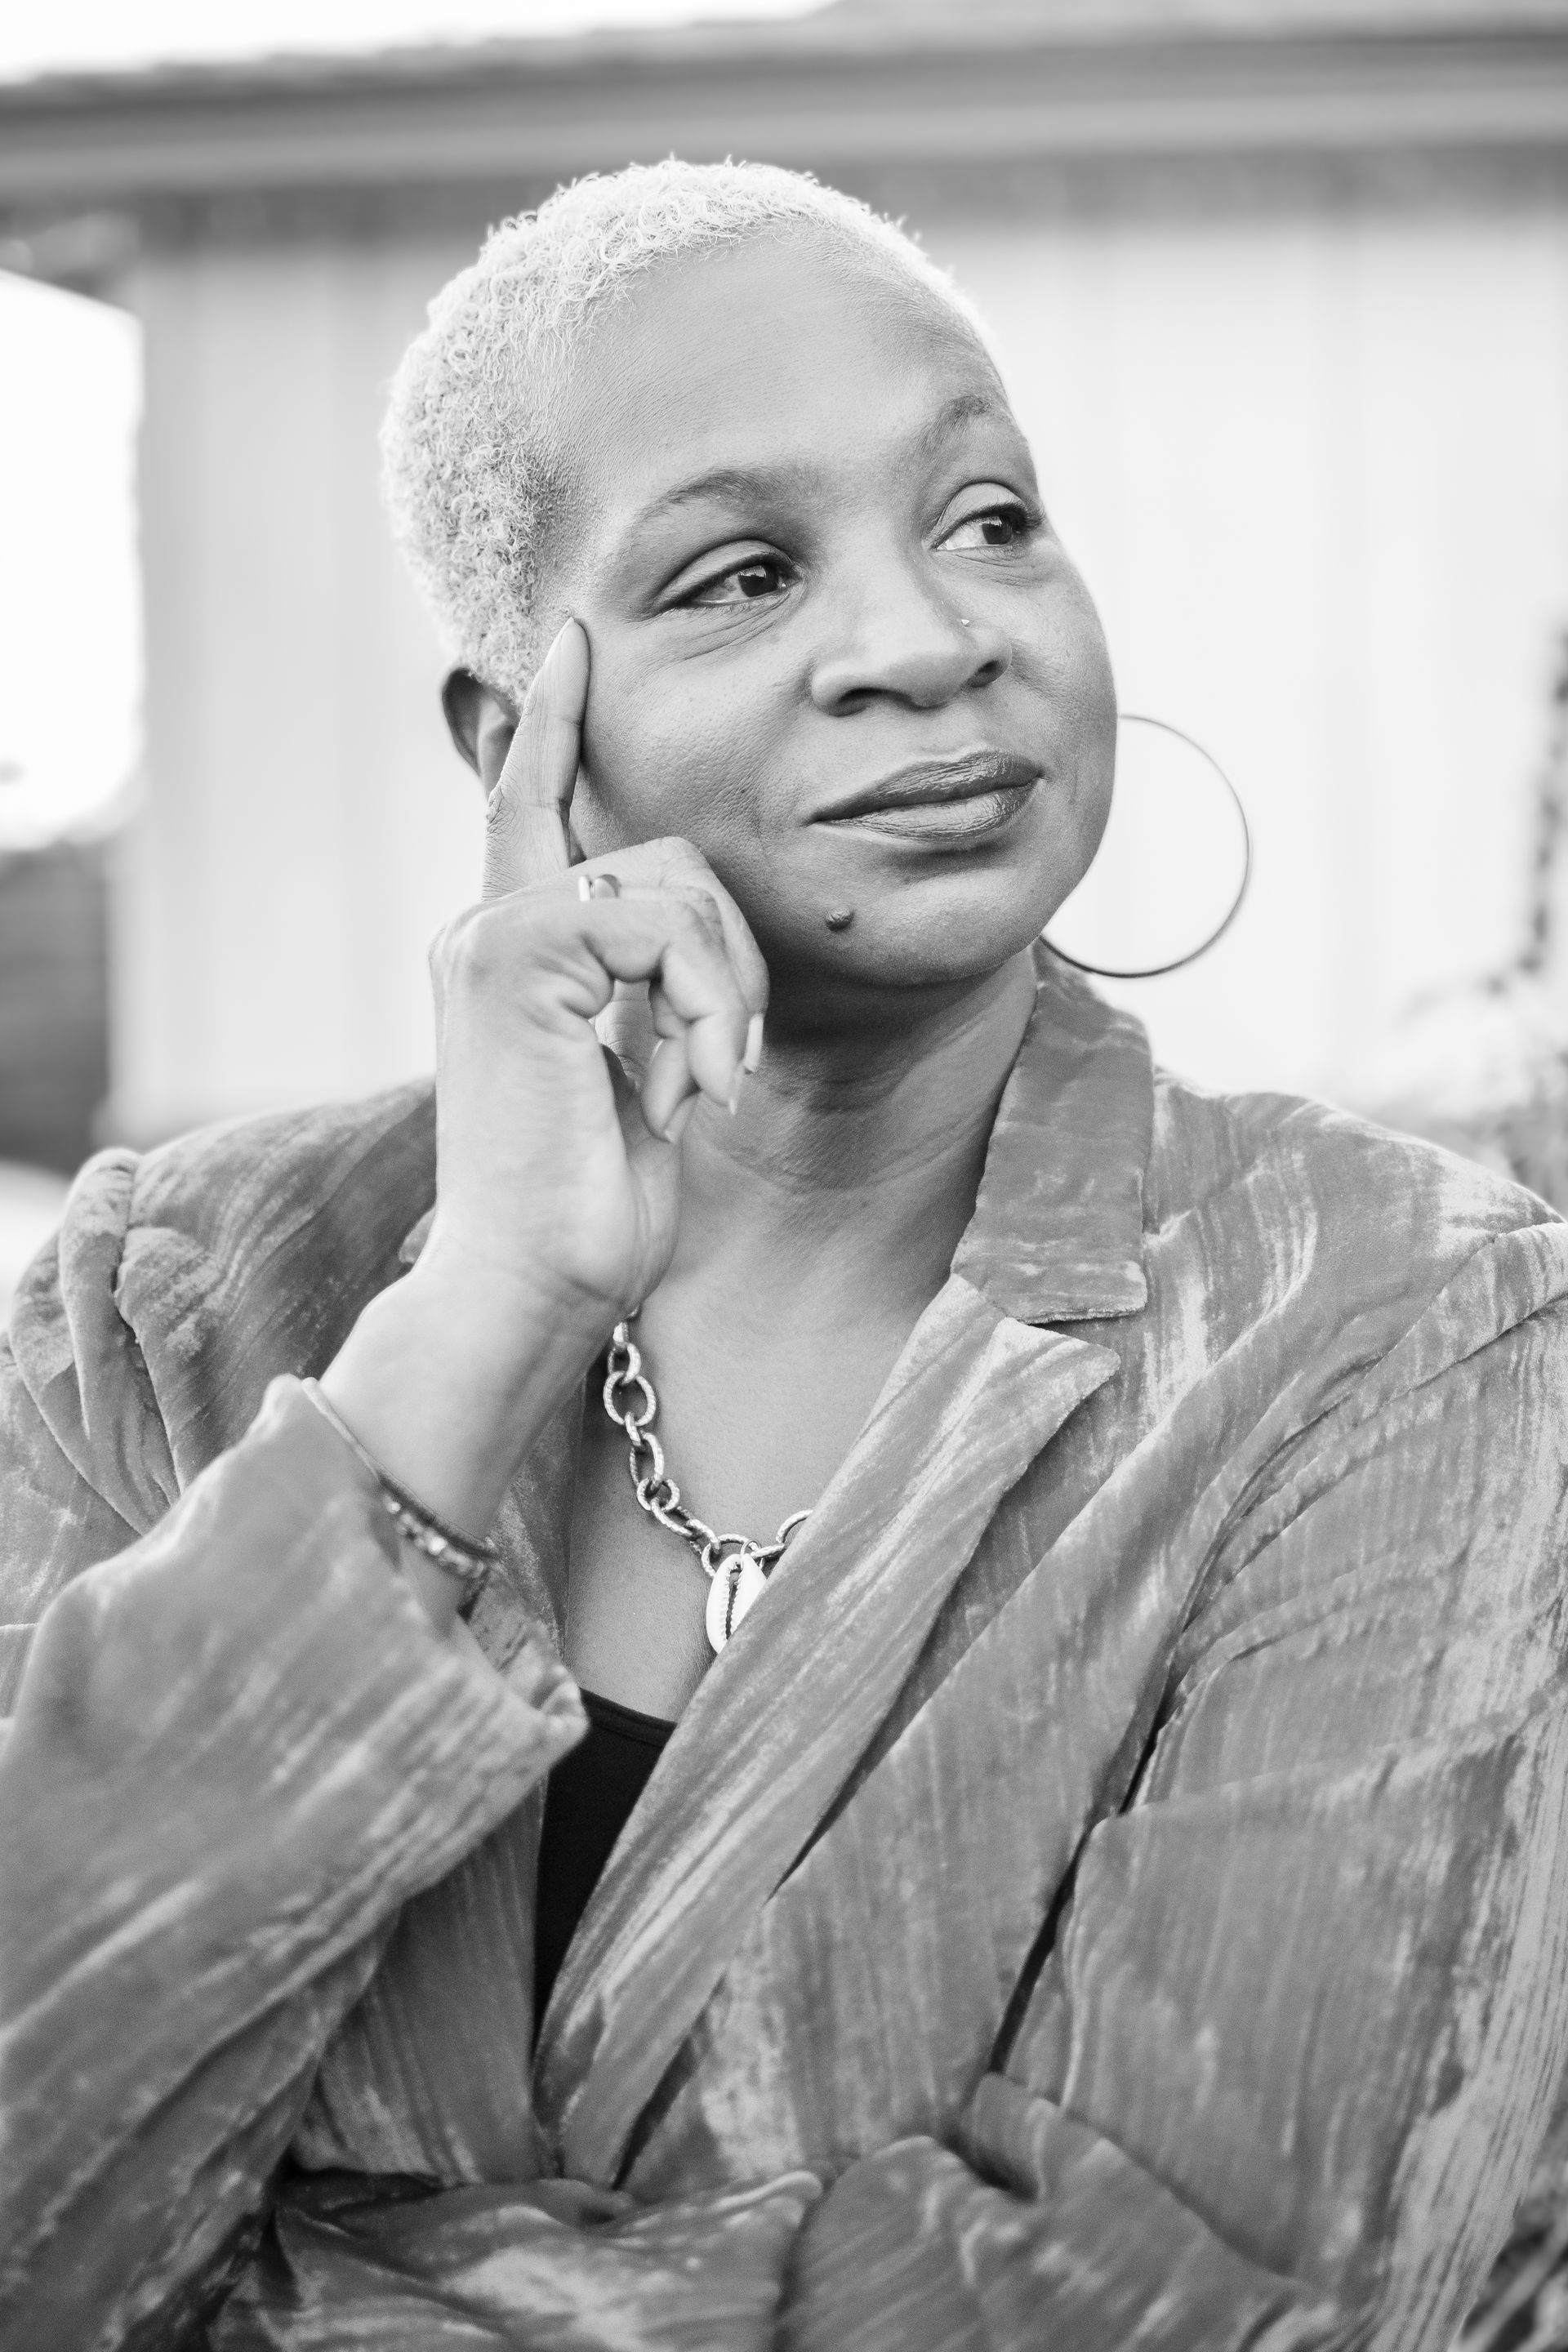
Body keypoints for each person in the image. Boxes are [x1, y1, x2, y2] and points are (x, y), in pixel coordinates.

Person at [3, 160, 1567, 2352]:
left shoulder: (1405, 1334)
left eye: (991, 514)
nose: (934, 638)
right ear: (518, 740)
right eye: (743, 572)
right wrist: (475, 1327)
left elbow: (1184, 2304)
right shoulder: (155, 1321)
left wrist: (227, 2292)